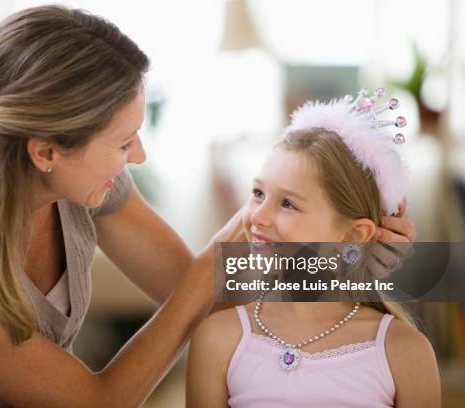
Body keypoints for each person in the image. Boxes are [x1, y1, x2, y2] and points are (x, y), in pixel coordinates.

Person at [0, 6, 416, 407]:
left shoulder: (87, 183)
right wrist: (211, 270)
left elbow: (200, 290)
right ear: (46, 151)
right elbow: (103, 397)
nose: (138, 155)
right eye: (123, 143)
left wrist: (343, 260)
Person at [186, 89, 440, 407]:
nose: (257, 218)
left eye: (289, 204)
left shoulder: (403, 351)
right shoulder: (218, 340)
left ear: (354, 235)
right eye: (258, 193)